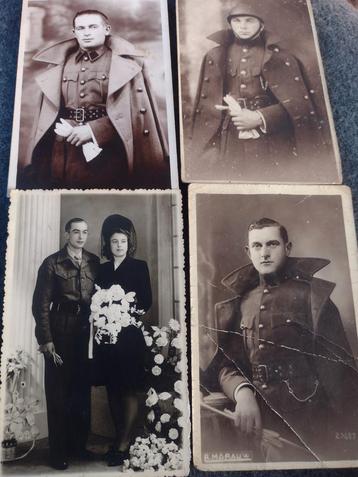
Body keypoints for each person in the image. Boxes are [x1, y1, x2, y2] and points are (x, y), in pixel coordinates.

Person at [206, 218, 358, 461]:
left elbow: (341, 372)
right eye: (257, 246)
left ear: (288, 248)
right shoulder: (241, 303)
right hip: (256, 420)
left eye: (272, 244)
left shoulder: (313, 298)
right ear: (248, 251)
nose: (264, 253)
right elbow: (227, 365)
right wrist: (242, 394)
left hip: (308, 419)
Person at [19, 9, 170, 189]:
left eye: (93, 26)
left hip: (107, 151)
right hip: (62, 150)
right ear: (74, 33)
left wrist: (93, 131)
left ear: (106, 29)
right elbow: (50, 110)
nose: (87, 32)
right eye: (81, 28)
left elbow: (134, 113)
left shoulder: (128, 65)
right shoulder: (60, 63)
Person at [190, 0, 332, 181]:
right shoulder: (215, 56)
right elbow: (205, 108)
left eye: (249, 20)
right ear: (230, 23)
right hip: (230, 140)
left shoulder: (281, 57)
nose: (242, 26)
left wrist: (260, 117)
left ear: (261, 24)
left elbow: (299, 106)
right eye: (237, 21)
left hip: (271, 141)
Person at [32, 218, 99, 470]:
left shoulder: (93, 261)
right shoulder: (52, 263)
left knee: (80, 391)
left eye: (84, 232)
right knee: (58, 392)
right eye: (76, 232)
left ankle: (78, 447)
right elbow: (40, 304)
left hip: (85, 333)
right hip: (60, 331)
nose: (81, 236)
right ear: (66, 234)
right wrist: (46, 339)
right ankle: (58, 452)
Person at [92, 214, 152, 466]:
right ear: (108, 244)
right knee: (112, 389)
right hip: (106, 338)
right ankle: (119, 439)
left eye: (123, 242)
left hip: (128, 336)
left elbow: (146, 301)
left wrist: (124, 314)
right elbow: (94, 300)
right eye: (114, 242)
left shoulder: (139, 267)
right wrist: (104, 314)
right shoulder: (101, 269)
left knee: (128, 388)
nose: (119, 246)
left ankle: (124, 443)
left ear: (129, 244)